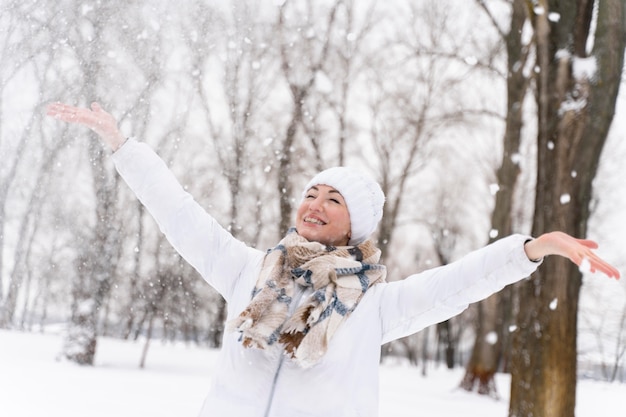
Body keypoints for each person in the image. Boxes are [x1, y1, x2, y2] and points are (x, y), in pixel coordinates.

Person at [47, 102, 620, 417]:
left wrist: (529, 250)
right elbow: (179, 213)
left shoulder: (375, 302)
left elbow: (456, 285)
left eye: (334, 199)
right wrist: (124, 146)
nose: (315, 204)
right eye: (311, 193)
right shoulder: (249, 270)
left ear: (358, 223)